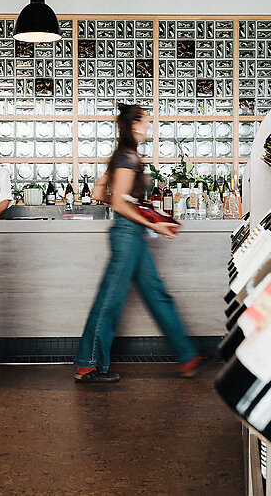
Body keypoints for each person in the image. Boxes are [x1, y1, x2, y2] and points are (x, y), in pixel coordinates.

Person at [73, 103, 205, 383]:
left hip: (132, 234)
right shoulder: (128, 157)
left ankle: (187, 355)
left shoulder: (124, 156)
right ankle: (88, 364)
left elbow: (101, 191)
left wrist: (142, 211)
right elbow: (119, 202)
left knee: (157, 294)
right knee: (110, 300)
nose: (149, 126)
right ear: (134, 125)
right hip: (127, 234)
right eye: (146, 121)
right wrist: (153, 222)